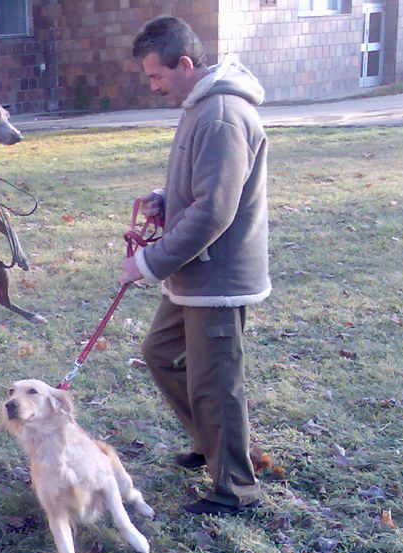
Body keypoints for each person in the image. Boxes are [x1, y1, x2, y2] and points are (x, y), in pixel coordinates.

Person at [122, 16, 271, 516]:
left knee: (215, 382)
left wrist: (146, 262)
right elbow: (203, 187)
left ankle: (235, 487)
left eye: (156, 75)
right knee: (161, 353)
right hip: (194, 275)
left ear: (184, 63)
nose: (154, 85)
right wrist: (167, 197)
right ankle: (213, 443)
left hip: (218, 279)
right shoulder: (200, 107)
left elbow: (214, 210)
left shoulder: (222, 114)